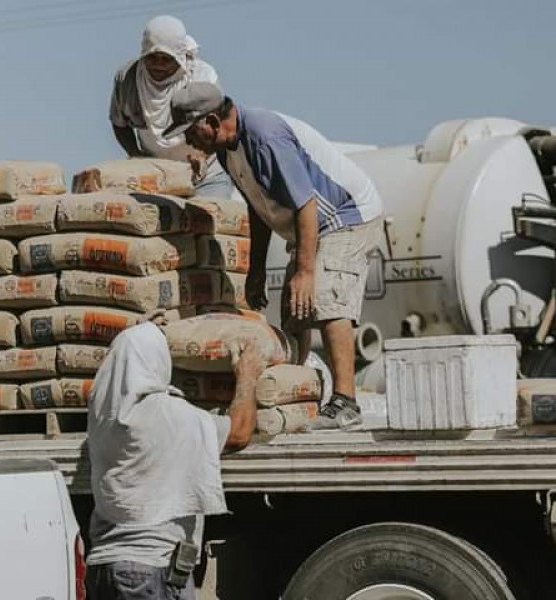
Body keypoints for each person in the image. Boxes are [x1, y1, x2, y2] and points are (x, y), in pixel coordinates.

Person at [164, 82, 385, 430]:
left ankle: (346, 403)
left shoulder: (265, 138)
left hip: (346, 215)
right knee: (296, 310)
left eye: (190, 132)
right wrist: (256, 270)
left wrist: (306, 271)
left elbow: (306, 204)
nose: (189, 142)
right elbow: (259, 208)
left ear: (210, 121)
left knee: (325, 297)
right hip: (312, 224)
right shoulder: (227, 149)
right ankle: (302, 392)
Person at [84, 318, 265, 599]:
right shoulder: (165, 414)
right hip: (147, 570)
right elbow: (239, 432)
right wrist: (247, 376)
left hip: (103, 566)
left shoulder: (102, 416)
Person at [109, 15, 233, 199]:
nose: (158, 65)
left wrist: (203, 155)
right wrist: (136, 155)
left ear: (180, 57)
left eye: (166, 59)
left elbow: (220, 130)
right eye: (152, 57)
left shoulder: (203, 79)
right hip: (156, 175)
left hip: (205, 176)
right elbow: (120, 124)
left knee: (205, 223)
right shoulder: (128, 80)